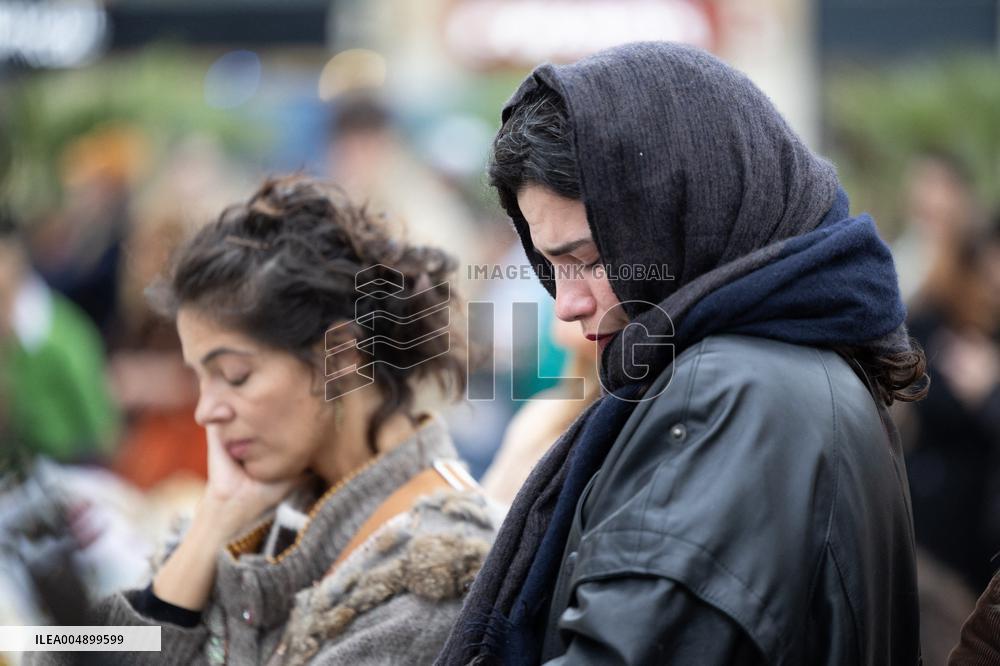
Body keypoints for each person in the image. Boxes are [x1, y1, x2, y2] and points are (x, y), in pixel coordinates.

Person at [437, 42, 926, 665]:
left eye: (588, 260)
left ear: (686, 217)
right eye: (550, 265)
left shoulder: (727, 396)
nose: (567, 304)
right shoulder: (775, 372)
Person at [27, 176, 499, 665]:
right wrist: (210, 527)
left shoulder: (439, 565)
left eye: (234, 375)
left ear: (338, 359)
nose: (205, 410)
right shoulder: (258, 510)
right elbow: (61, 652)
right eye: (199, 378)